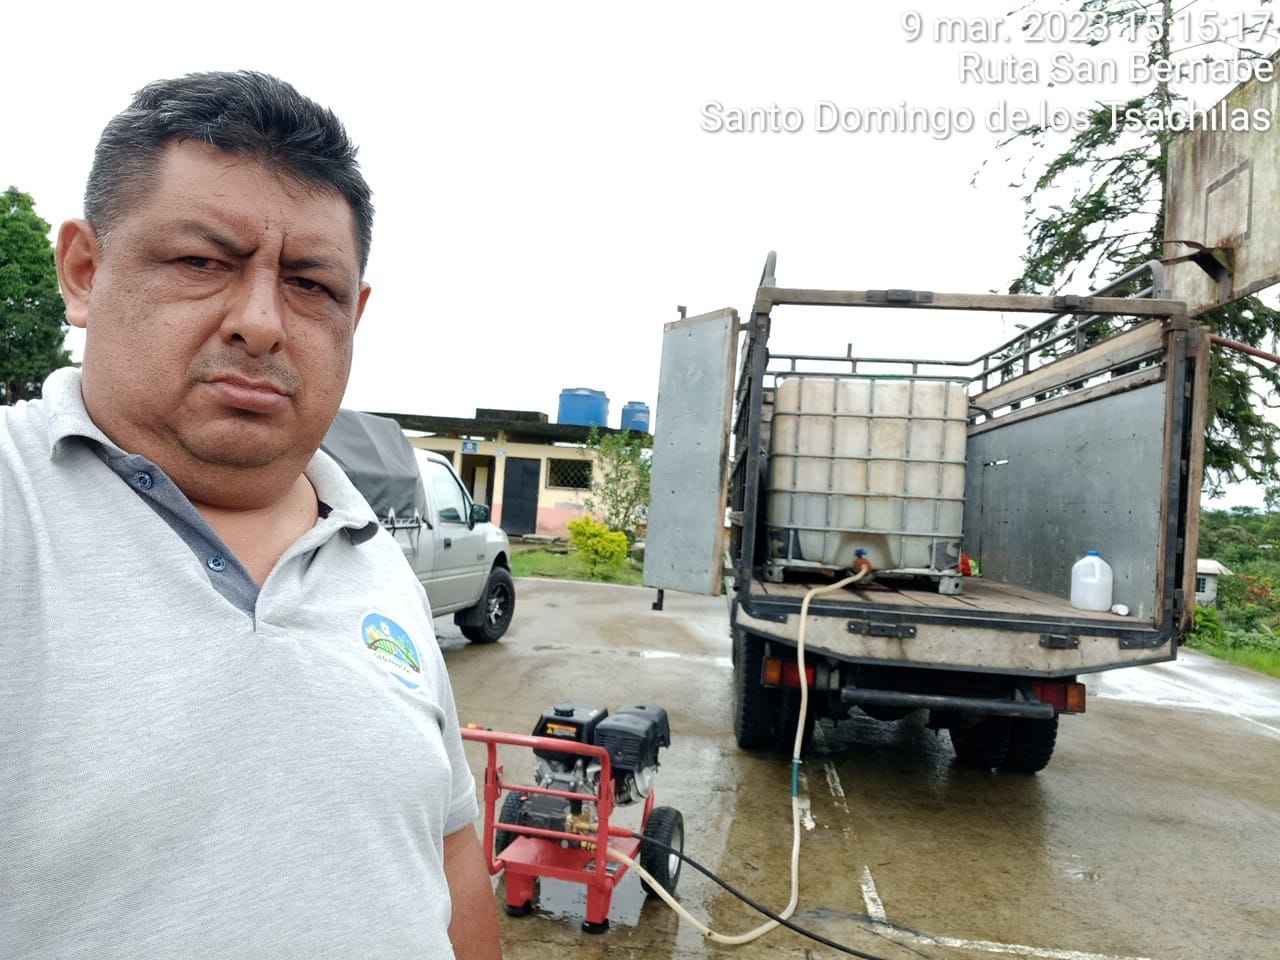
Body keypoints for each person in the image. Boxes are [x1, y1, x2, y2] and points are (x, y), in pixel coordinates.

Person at [0, 71, 502, 960]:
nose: (262, 323)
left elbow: (448, 850)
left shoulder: (371, 555)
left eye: (311, 284)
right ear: (84, 271)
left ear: (355, 314)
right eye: (202, 263)